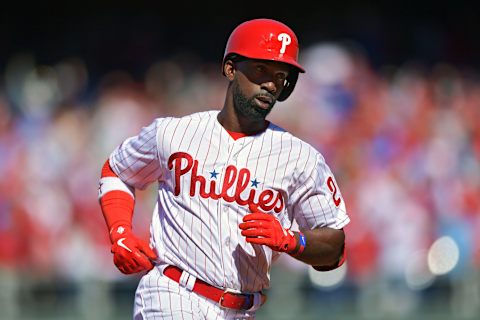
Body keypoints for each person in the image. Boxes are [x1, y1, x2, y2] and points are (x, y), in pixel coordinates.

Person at [98, 18, 350, 319]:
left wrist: (293, 240)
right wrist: (120, 232)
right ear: (231, 68)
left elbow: (334, 248)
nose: (270, 83)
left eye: (281, 76)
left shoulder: (300, 158)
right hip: (172, 292)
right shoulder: (173, 133)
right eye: (261, 70)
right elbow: (117, 171)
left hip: (243, 309)